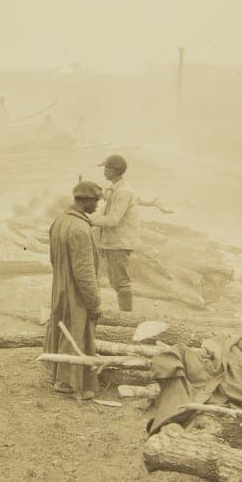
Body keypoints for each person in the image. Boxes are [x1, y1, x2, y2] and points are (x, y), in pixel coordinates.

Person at [45, 180, 103, 400]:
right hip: (75, 291)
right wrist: (94, 303)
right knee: (76, 329)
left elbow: (53, 258)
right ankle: (68, 382)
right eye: (95, 201)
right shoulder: (80, 229)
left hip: (60, 285)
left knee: (61, 324)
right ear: (84, 200)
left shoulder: (60, 221)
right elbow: (85, 273)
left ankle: (58, 373)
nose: (97, 205)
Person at [88, 154, 139, 313]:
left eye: (106, 168)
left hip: (119, 243)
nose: (104, 171)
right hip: (111, 242)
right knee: (114, 280)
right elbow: (104, 212)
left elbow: (113, 219)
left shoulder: (123, 192)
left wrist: (88, 220)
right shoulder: (114, 189)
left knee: (121, 281)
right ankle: (124, 315)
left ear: (114, 171)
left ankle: (126, 317)